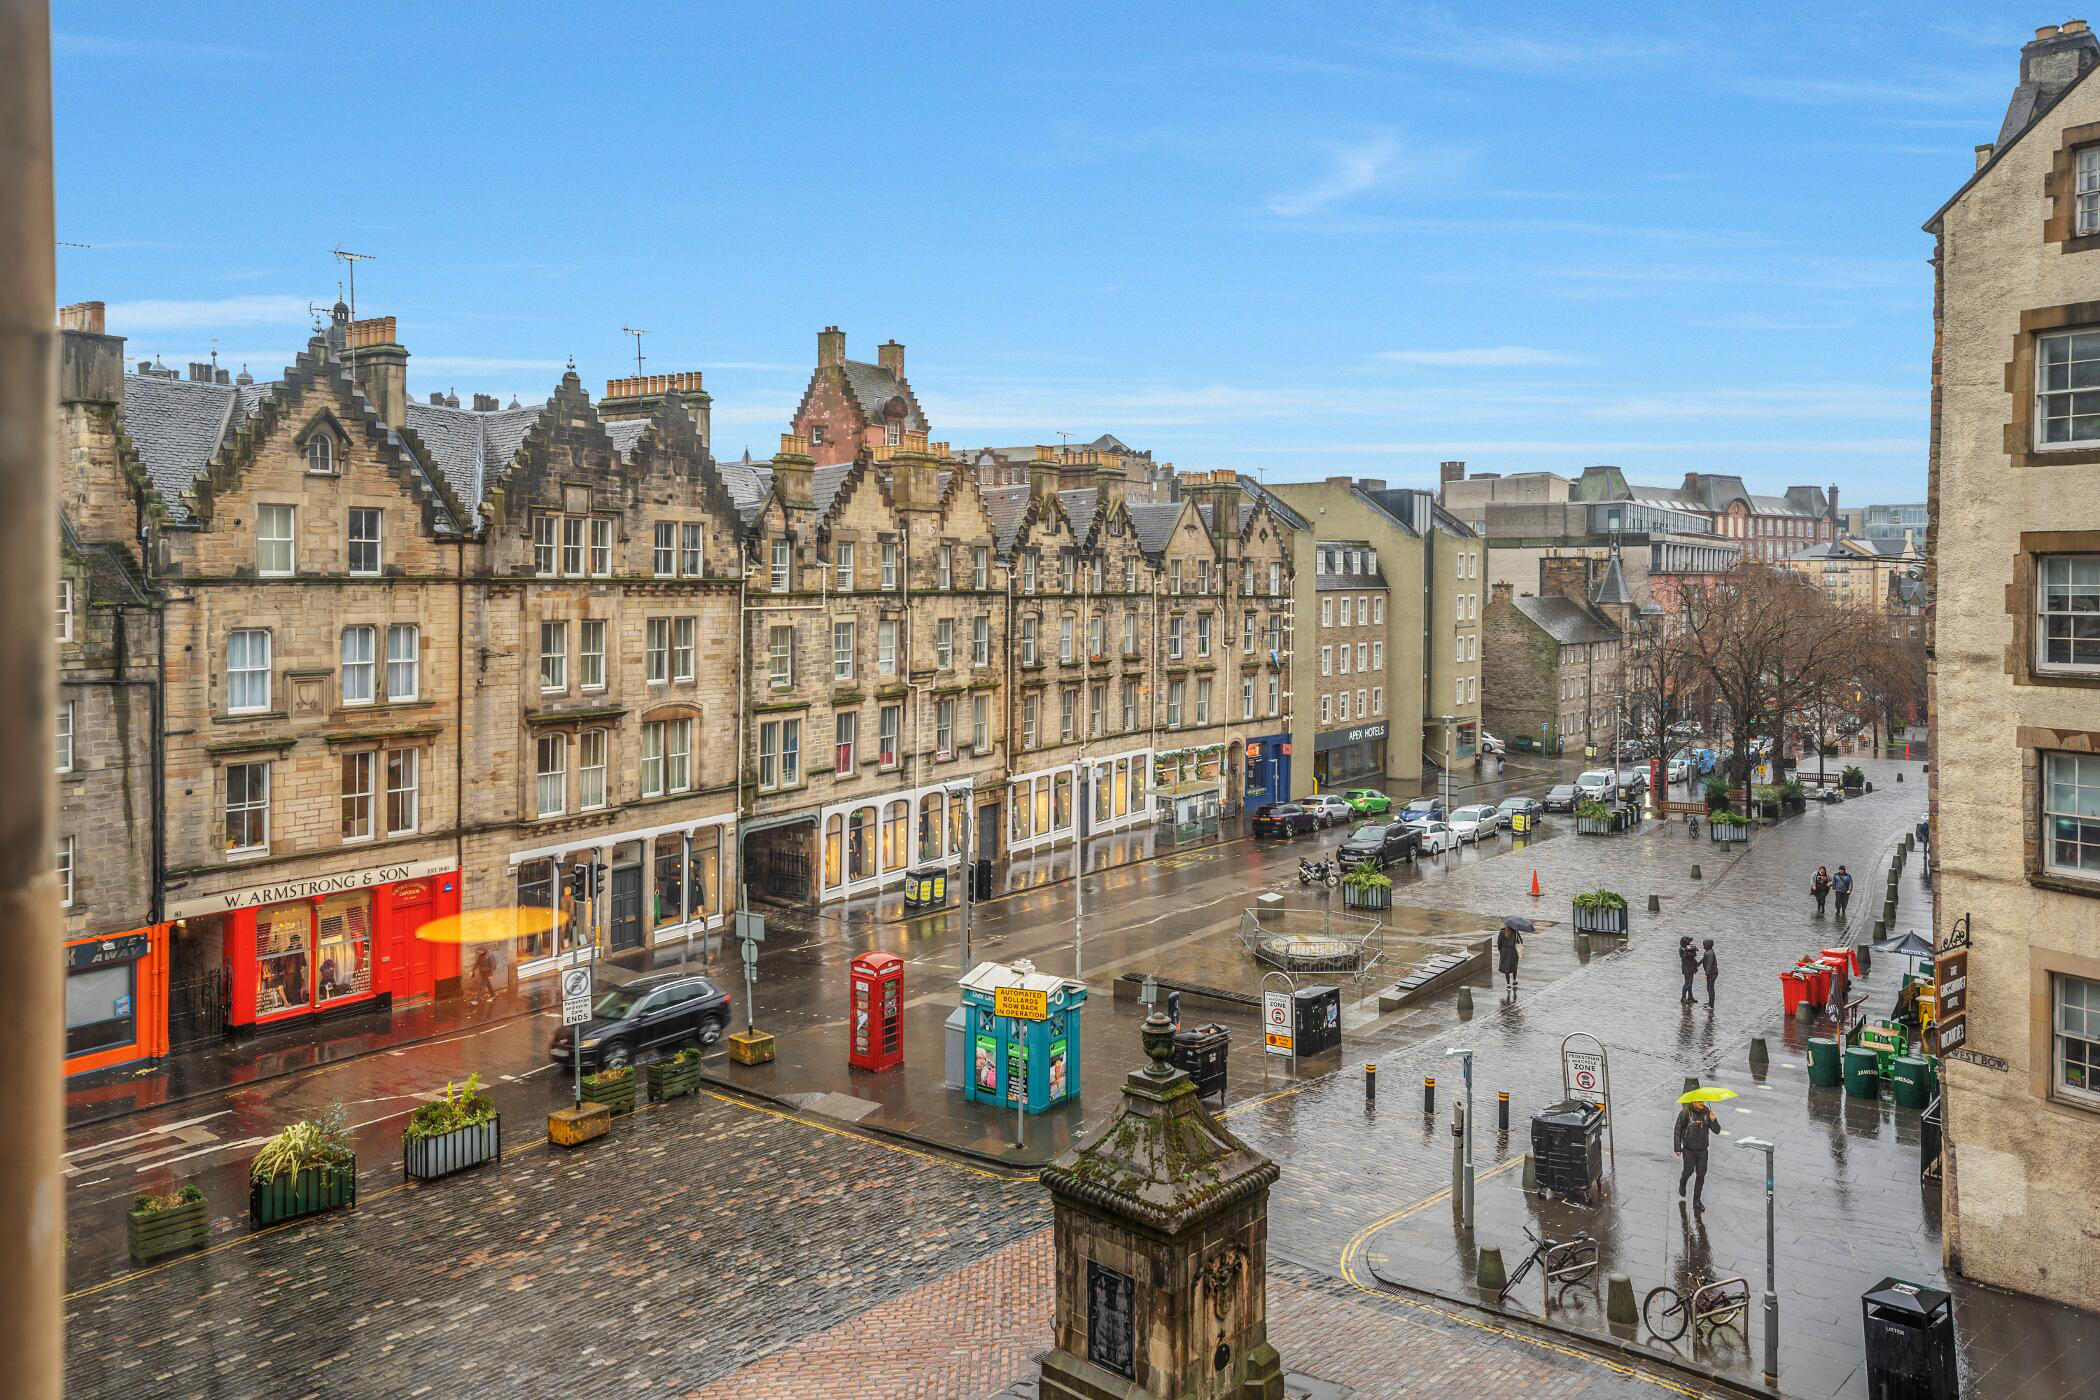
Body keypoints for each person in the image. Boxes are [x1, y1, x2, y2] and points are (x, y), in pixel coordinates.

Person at [1674, 1100, 1719, 1208]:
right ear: (1693, 1102)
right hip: (1689, 1149)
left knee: (1701, 1174)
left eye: (1702, 1101)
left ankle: (1697, 1199)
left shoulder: (1707, 1113)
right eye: (1699, 1101)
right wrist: (1677, 1148)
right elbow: (1678, 1129)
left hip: (1703, 1149)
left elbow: (1717, 1130)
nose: (1701, 1103)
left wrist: (1714, 1120)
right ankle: (1683, 1181)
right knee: (1688, 1171)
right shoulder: (1686, 1112)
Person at [1496, 920, 1524, 991]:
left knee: (1506, 968)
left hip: (1505, 951)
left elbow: (1499, 942)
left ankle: (1508, 985)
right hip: (1513, 951)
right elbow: (1520, 941)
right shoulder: (1515, 931)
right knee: (1514, 966)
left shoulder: (1502, 932)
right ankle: (1514, 981)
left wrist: (1500, 950)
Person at [1678, 937, 1699, 1005]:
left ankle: (1690, 997)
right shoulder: (1682, 949)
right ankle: (1683, 997)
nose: (1689, 943)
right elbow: (1689, 955)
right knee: (1687, 983)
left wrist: (1691, 949)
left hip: (1692, 967)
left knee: (1690, 984)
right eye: (1688, 942)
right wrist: (1692, 949)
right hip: (1686, 968)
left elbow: (1694, 954)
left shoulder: (1687, 948)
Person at [1700, 938, 1719, 1009]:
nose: (1703, 946)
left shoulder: (1710, 953)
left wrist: (1706, 974)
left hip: (1712, 973)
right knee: (1709, 988)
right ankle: (1710, 1002)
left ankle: (1711, 1005)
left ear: (1707, 945)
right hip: (1711, 973)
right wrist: (1698, 963)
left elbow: (1709, 965)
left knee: (1710, 988)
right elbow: (1704, 959)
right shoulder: (1708, 951)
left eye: (1704, 945)